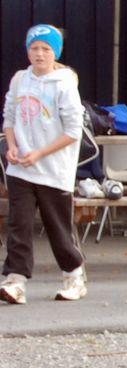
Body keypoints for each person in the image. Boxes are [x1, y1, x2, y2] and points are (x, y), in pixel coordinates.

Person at [2, 24, 87, 304]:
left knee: (57, 227)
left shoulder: (64, 84)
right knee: (19, 225)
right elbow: (9, 117)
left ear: (55, 53)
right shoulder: (19, 80)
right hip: (21, 168)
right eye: (35, 48)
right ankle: (15, 280)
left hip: (54, 170)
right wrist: (12, 146)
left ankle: (74, 276)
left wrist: (40, 153)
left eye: (46, 49)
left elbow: (73, 131)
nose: (39, 54)